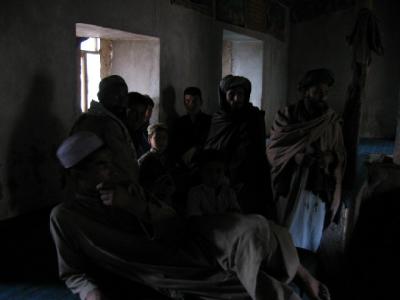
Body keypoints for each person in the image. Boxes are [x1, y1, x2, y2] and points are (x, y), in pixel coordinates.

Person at [51, 132, 330, 300]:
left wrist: (134, 206)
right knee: (238, 281)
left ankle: (305, 277)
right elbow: (72, 272)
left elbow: (174, 223)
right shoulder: (66, 217)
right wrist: (89, 292)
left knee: (253, 225)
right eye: (101, 167)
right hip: (166, 267)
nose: (110, 172)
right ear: (78, 175)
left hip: (187, 238)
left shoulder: (127, 189)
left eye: (110, 165)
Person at [267, 68, 346, 252]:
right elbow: (274, 148)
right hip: (292, 184)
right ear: (305, 90)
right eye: (317, 91)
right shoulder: (287, 116)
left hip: (318, 186)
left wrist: (330, 157)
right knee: (289, 233)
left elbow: (340, 153)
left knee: (312, 234)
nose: (322, 96)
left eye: (325, 92)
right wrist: (295, 156)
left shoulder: (331, 120)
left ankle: (308, 268)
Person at [205, 75, 272, 217]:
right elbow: (211, 147)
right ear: (224, 96)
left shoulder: (254, 117)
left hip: (249, 177)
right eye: (232, 94)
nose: (237, 99)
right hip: (219, 176)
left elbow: (256, 150)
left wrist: (237, 174)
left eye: (240, 94)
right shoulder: (219, 118)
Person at [186, 149, 241, 217]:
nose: (214, 176)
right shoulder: (195, 192)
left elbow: (237, 214)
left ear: (224, 171)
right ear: (201, 172)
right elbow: (194, 218)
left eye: (219, 171)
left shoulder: (229, 192)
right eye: (209, 171)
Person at [169, 86, 211, 168]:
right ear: (184, 103)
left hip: (204, 165)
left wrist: (196, 149)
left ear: (201, 102)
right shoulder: (179, 123)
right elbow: (174, 146)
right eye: (187, 101)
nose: (191, 104)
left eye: (195, 100)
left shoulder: (209, 121)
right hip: (183, 166)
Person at [138, 123, 175, 206]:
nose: (161, 141)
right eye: (157, 138)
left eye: (164, 138)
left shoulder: (169, 159)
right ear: (149, 139)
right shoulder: (144, 160)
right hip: (152, 202)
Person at [126, 92, 151, 158]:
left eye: (142, 113)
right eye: (134, 112)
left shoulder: (140, 132)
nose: (138, 118)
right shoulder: (118, 133)